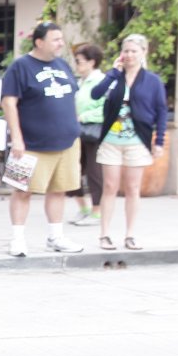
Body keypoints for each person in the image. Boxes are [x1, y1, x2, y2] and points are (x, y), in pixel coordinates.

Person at [0, 22, 85, 258]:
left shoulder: (62, 65)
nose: (61, 43)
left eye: (61, 39)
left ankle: (55, 237)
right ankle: (17, 239)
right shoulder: (20, 67)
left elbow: (71, 97)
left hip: (67, 143)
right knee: (21, 190)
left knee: (59, 189)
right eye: (55, 39)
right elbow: (8, 103)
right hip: (30, 145)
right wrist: (17, 138)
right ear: (39, 42)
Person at [90, 33, 168, 251]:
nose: (130, 55)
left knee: (133, 188)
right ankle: (104, 234)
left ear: (143, 52)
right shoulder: (115, 77)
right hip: (111, 141)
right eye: (126, 51)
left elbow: (161, 111)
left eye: (134, 51)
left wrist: (159, 141)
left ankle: (130, 234)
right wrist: (113, 73)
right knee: (109, 186)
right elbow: (95, 94)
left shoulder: (152, 81)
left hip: (137, 141)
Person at [68, 44, 106, 226]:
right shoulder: (79, 82)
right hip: (76, 131)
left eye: (79, 61)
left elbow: (106, 108)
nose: (76, 65)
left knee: (94, 172)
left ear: (92, 62)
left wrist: (83, 116)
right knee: (72, 169)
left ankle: (97, 211)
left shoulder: (101, 81)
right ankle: (83, 208)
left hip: (94, 131)